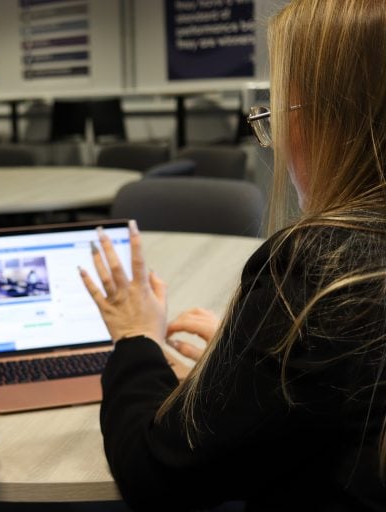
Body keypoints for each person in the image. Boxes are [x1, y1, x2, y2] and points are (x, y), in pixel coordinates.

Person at [80, 1, 386, 510]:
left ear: (335, 122)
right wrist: (255, 376)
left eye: (284, 110)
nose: (280, 139)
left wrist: (136, 336)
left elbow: (156, 475)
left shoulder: (319, 271)